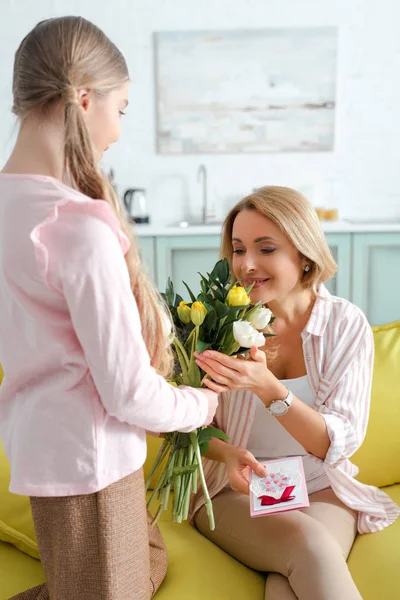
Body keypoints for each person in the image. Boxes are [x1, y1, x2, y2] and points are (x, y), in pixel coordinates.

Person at [0, 16, 218, 600]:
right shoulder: (74, 226)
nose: (117, 132)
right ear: (85, 97)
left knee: (138, 567)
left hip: (46, 452)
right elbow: (128, 393)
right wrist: (203, 403)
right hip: (91, 465)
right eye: (121, 110)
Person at [191, 186, 400, 600]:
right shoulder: (212, 323)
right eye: (237, 249)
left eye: (265, 248)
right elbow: (184, 424)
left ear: (305, 254)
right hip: (236, 490)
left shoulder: (344, 325)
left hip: (320, 485)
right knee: (309, 546)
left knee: (287, 585)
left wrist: (268, 388)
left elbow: (335, 443)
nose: (245, 265)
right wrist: (225, 453)